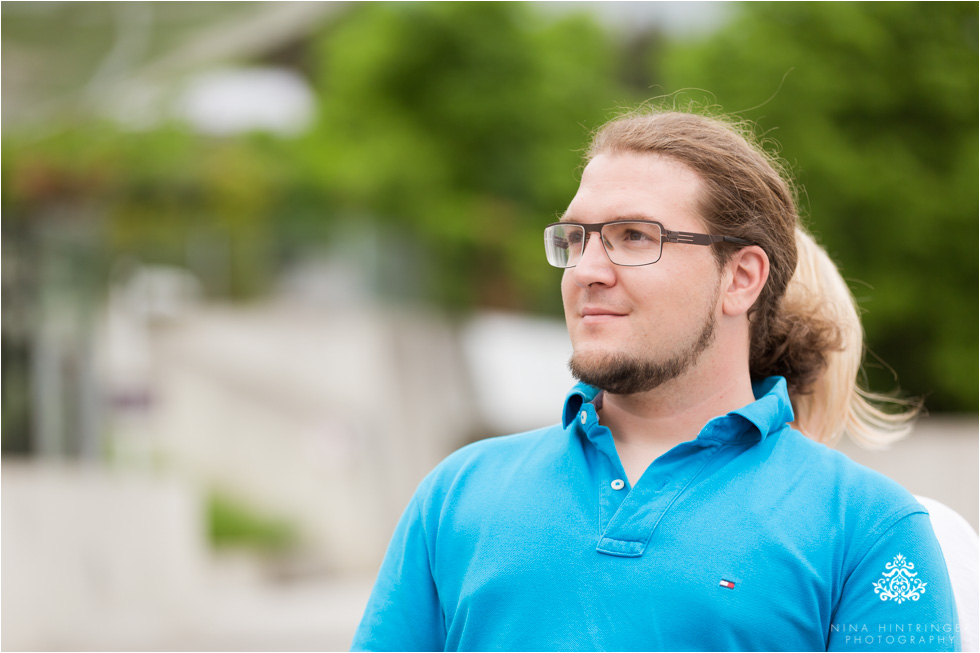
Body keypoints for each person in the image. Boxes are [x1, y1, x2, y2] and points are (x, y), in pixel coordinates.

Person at [351, 109, 959, 652]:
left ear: (740, 278)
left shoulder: (869, 528)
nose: (587, 270)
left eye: (634, 237)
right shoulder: (456, 493)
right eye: (576, 239)